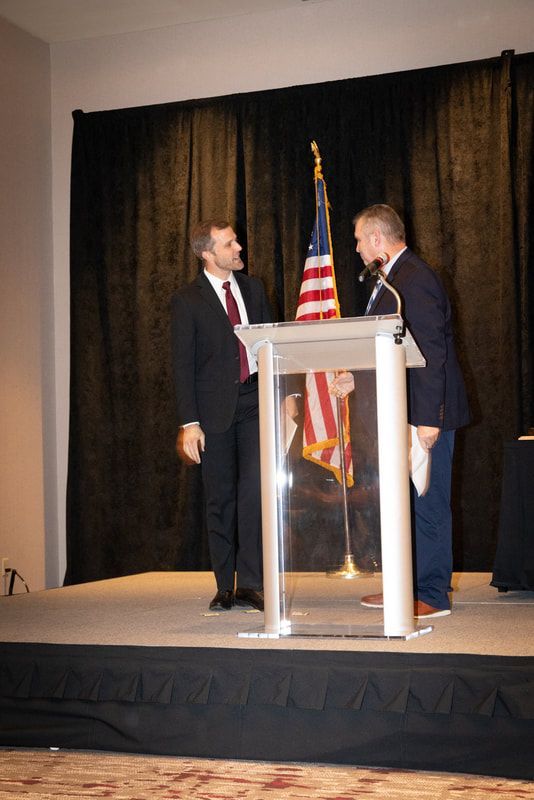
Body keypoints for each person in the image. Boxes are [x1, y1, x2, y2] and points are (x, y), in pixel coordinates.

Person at [330, 204, 470, 619]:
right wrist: (357, 376)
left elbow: (431, 353)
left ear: (376, 238)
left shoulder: (415, 279)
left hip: (424, 416)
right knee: (400, 503)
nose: (355, 248)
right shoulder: (389, 282)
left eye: (358, 240)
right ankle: (402, 586)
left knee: (427, 505)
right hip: (397, 414)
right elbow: (392, 345)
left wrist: (429, 420)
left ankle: (432, 593)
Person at [171, 220, 272, 612]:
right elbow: (182, 366)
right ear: (207, 253)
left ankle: (250, 584)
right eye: (229, 243)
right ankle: (223, 586)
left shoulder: (254, 288)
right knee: (221, 499)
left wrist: (287, 395)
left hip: (254, 402)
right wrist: (189, 423)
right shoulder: (187, 300)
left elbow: (271, 342)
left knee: (254, 495)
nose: (238, 246)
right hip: (213, 413)